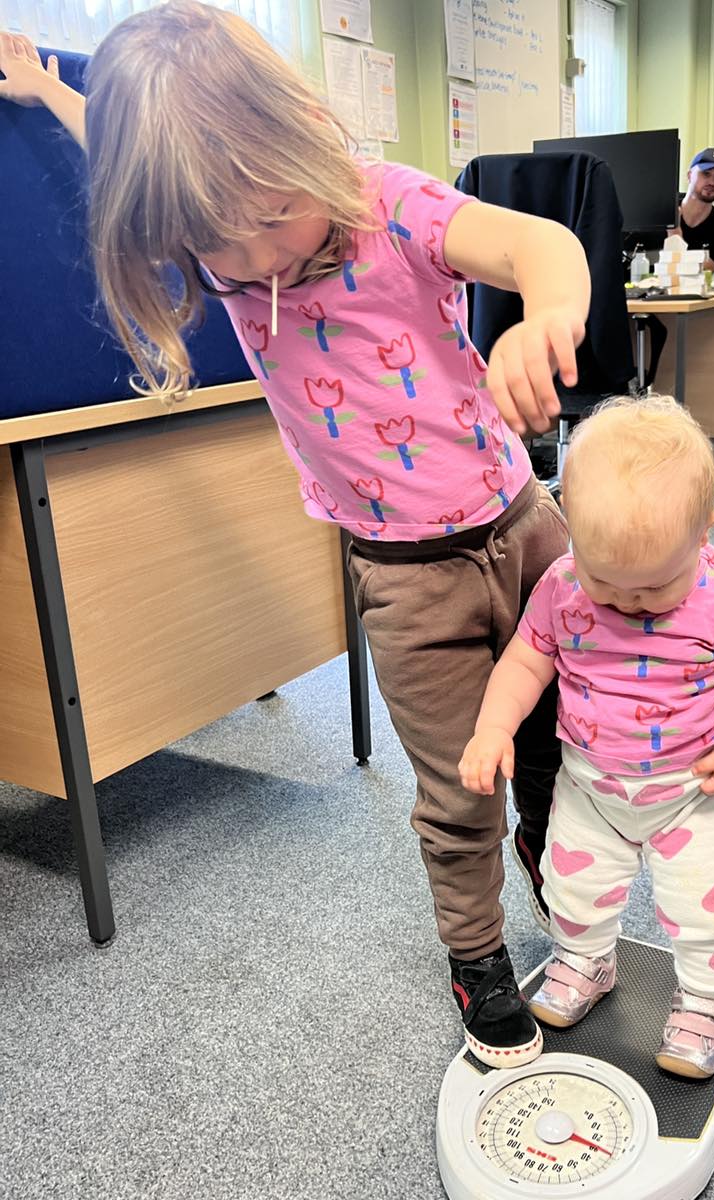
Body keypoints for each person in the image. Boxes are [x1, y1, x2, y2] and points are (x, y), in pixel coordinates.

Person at [0, 4, 592, 1070]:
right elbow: (134, 159)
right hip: (406, 577)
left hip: (525, 528)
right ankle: (478, 957)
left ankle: (572, 895)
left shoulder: (383, 205)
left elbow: (536, 241)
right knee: (462, 785)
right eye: (218, 239)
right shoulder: (215, 237)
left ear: (302, 134)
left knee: (560, 742)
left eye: (272, 210)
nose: (259, 254)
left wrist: (548, 313)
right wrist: (49, 94)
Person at [459, 396, 714, 1078]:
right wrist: (494, 726)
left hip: (693, 790)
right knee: (572, 890)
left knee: (706, 911)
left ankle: (707, 1003)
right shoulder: (562, 586)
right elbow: (528, 658)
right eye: (604, 580)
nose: (624, 602)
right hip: (590, 785)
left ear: (705, 532)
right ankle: (585, 963)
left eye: (652, 587)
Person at [678, 147, 714, 273]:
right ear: (689, 176)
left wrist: (674, 236)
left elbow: (701, 274)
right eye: (706, 173)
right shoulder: (662, 208)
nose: (711, 182)